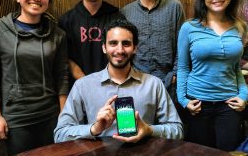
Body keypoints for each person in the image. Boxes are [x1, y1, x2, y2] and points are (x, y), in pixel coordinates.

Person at [0, 0, 69, 156]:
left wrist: (64, 114)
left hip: (50, 116)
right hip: (15, 119)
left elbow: (62, 74)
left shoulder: (57, 34)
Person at [54, 19, 183, 143]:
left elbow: (177, 131)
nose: (120, 50)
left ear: (135, 48)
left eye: (126, 44)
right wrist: (94, 129)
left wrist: (149, 130)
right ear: (104, 47)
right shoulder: (83, 86)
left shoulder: (154, 84)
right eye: (113, 43)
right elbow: (60, 134)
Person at [177, 0, 248, 151]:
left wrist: (244, 95)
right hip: (198, 104)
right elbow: (183, 67)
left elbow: (235, 68)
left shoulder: (239, 27)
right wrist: (183, 101)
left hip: (229, 104)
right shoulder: (189, 27)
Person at [121, 0, 185, 94]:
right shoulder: (126, 12)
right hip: (136, 83)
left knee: (170, 116)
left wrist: (175, 74)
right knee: (138, 117)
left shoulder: (174, 7)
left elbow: (183, 44)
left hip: (169, 84)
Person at [59, 0, 124, 86]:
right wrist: (88, 83)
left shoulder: (117, 17)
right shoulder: (67, 20)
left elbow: (121, 53)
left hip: (112, 85)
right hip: (80, 87)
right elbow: (66, 58)